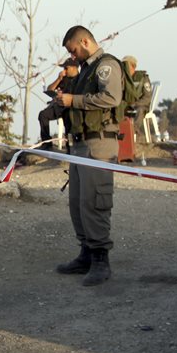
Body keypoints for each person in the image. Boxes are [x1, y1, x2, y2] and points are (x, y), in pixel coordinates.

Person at [54, 25, 124, 286]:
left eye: (73, 50)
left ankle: (100, 259)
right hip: (80, 143)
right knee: (78, 203)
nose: (72, 56)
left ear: (84, 41)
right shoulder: (86, 70)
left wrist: (74, 101)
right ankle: (86, 253)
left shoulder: (106, 65)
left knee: (95, 201)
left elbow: (111, 97)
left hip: (99, 144)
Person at [38, 58, 80, 144]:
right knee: (43, 115)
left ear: (74, 68)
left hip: (71, 106)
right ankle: (46, 142)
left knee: (68, 117)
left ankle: (70, 143)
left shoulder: (80, 79)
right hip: (59, 106)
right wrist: (59, 79)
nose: (64, 71)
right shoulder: (64, 78)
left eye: (66, 68)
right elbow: (50, 89)